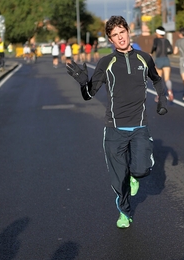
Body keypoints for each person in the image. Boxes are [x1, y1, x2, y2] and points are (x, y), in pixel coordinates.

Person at [66, 15, 168, 229]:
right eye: (115, 35)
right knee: (118, 180)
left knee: (141, 170)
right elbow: (88, 95)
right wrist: (84, 82)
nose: (120, 38)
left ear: (128, 32)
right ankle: (124, 212)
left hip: (139, 126)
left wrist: (162, 97)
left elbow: (157, 80)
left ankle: (134, 176)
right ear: (110, 40)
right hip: (114, 129)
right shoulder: (106, 62)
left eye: (122, 32)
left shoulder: (144, 58)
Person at [150, 26, 174, 102]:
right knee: (167, 79)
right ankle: (170, 91)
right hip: (166, 59)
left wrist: (151, 53)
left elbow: (154, 47)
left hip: (159, 59)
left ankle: (159, 95)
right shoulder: (166, 40)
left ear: (158, 33)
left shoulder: (156, 40)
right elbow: (171, 50)